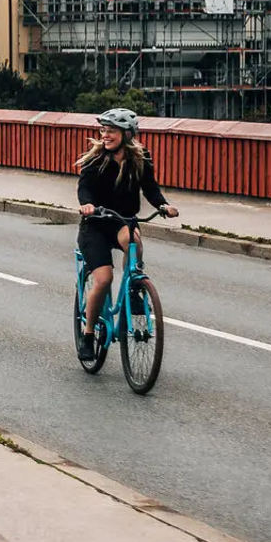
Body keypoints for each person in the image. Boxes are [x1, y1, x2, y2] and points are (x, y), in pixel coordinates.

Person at [75, 108, 179, 357]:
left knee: (134, 240)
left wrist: (162, 205)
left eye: (111, 131)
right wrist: (87, 205)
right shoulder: (95, 160)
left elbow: (150, 188)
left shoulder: (140, 158)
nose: (105, 135)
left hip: (123, 221)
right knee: (104, 279)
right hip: (96, 224)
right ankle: (88, 335)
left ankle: (133, 287)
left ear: (127, 134)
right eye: (103, 130)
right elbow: (84, 188)